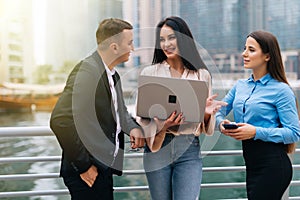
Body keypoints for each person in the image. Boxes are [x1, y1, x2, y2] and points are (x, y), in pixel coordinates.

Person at [50, 18, 144, 200]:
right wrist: (84, 167)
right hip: (87, 172)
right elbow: (60, 120)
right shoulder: (87, 72)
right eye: (130, 43)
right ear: (114, 47)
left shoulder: (112, 75)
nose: (133, 48)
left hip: (103, 167)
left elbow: (120, 112)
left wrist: (133, 128)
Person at [136, 16, 227, 200]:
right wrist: (162, 126)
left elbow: (206, 128)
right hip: (158, 149)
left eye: (171, 38)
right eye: (161, 39)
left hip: (189, 149)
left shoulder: (202, 75)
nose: (166, 44)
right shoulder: (149, 74)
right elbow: (142, 117)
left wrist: (207, 114)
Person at [216, 30, 300, 200]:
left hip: (274, 166)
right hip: (251, 164)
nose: (244, 54)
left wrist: (255, 132)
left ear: (267, 56)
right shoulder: (239, 86)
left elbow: (293, 132)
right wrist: (220, 123)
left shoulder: (281, 90)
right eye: (244, 48)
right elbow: (219, 110)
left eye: (251, 50)